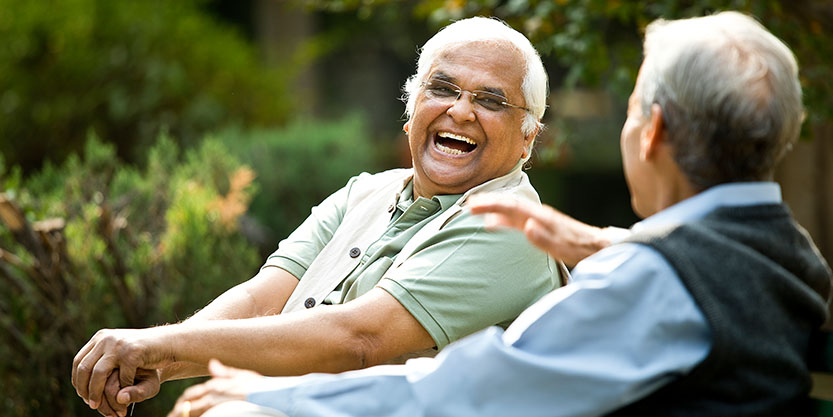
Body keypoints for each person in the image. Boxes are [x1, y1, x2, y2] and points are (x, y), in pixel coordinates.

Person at [167, 11, 832, 417]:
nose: (459, 111)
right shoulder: (789, 253)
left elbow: (464, 391)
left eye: (629, 108)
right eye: (442, 89)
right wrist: (619, 244)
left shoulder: (651, 284)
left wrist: (265, 396)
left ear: (650, 131)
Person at [71, 17, 565, 417]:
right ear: (412, 108)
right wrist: (165, 359)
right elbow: (263, 295)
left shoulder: (512, 224)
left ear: (528, 137)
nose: (460, 111)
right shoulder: (364, 192)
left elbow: (359, 340)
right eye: (443, 88)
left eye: (490, 100)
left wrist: (162, 347)